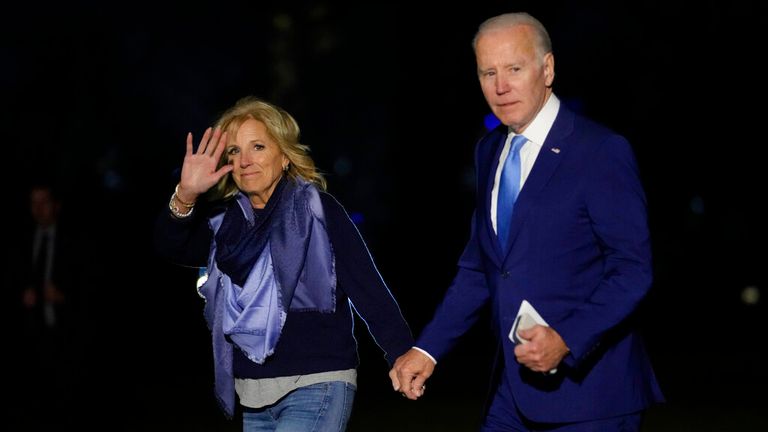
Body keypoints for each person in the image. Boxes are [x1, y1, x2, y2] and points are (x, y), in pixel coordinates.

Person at [390, 12, 664, 431]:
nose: (500, 87)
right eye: (488, 72)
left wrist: (568, 339)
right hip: (512, 394)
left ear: (547, 68)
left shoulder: (600, 151)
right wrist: (427, 350)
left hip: (593, 397)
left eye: (514, 69)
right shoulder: (488, 152)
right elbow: (479, 269)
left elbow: (632, 270)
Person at [154, 96, 413, 431]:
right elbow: (171, 246)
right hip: (252, 392)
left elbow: (367, 286)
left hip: (318, 381)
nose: (245, 160)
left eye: (257, 146)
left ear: (285, 156)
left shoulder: (318, 211)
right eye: (234, 151)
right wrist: (186, 194)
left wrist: (403, 352)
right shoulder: (224, 222)